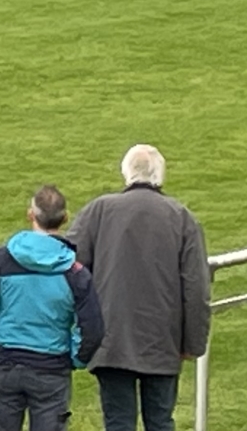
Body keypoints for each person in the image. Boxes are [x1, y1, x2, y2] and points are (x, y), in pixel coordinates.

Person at [69, 145, 211, 431]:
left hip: (111, 339)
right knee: (160, 421)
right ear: (160, 175)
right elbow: (196, 288)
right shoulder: (181, 217)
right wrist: (193, 344)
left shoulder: (99, 211)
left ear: (126, 172)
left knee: (119, 422)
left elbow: (70, 268)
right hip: (162, 341)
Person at [0, 185, 106, 431]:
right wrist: (74, 357)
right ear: (65, 218)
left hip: (6, 363)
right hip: (50, 367)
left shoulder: (2, 260)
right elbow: (92, 328)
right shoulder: (75, 273)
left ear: (30, 215)